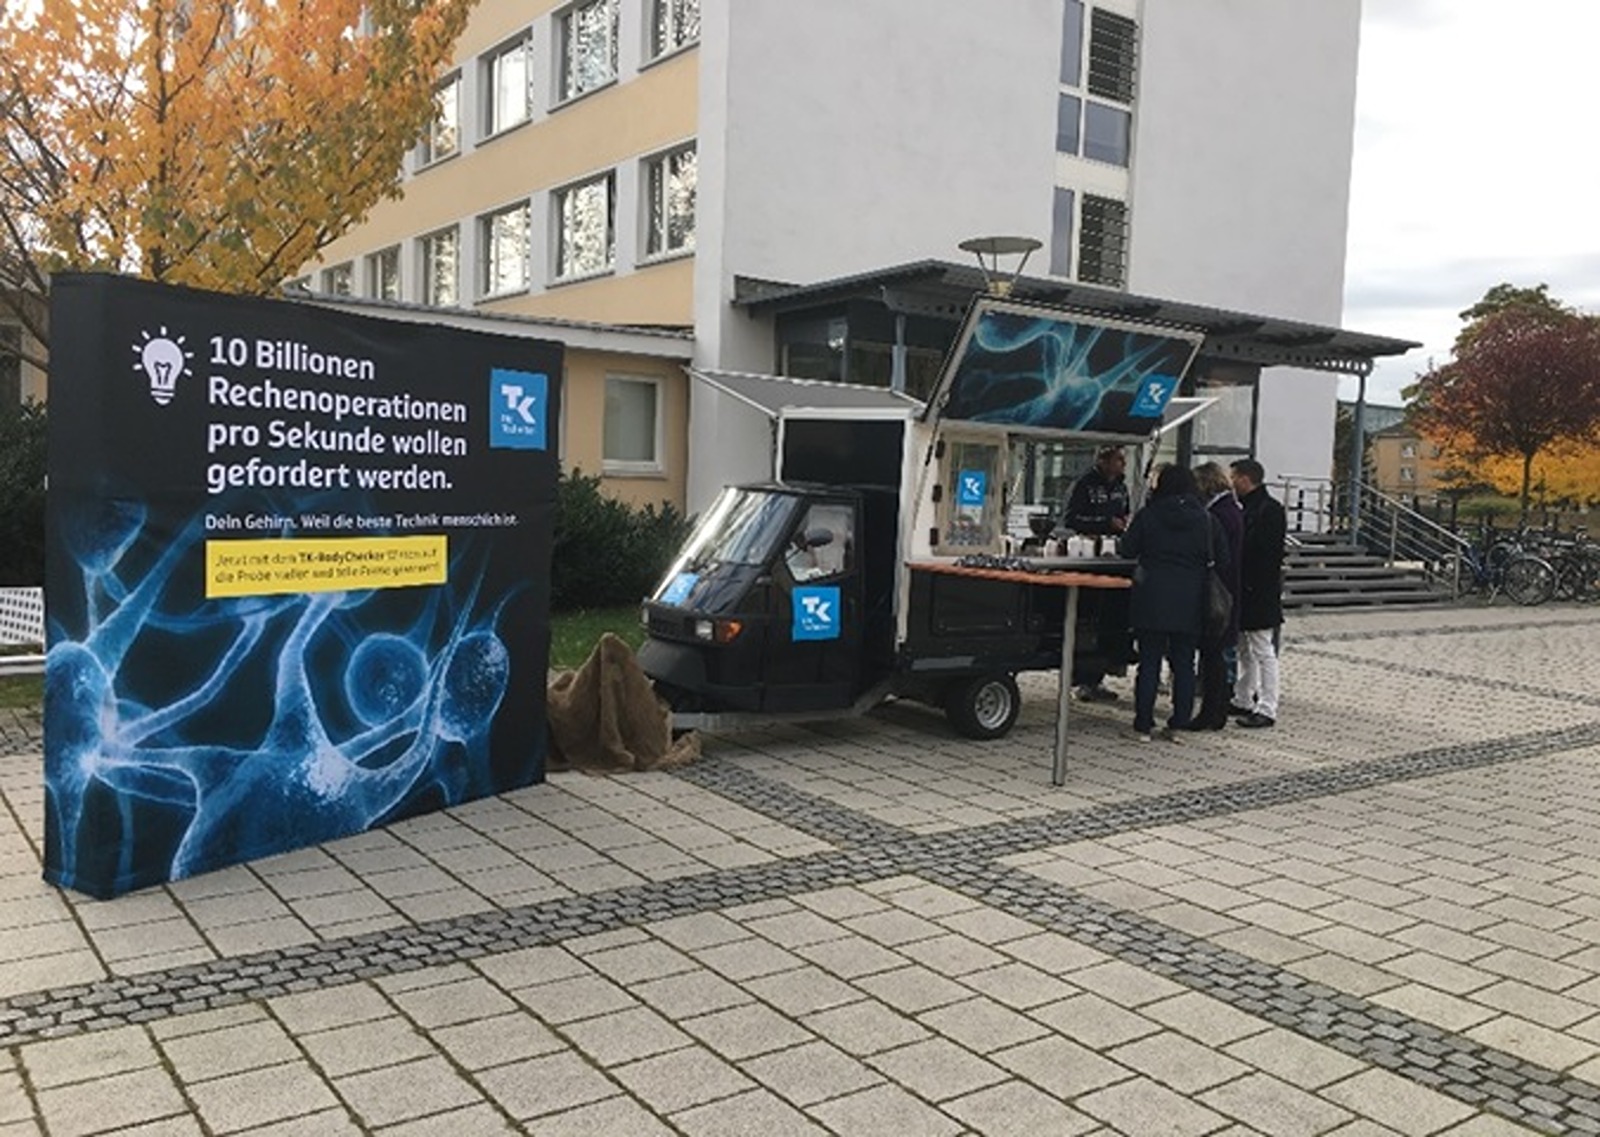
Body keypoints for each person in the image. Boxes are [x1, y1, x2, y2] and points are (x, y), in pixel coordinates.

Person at [1119, 464, 1224, 742]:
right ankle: (1178, 724)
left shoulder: (1148, 515)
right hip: (1191, 599)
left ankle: (1143, 725)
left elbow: (1126, 549)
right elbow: (1221, 557)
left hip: (1151, 596)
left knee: (1149, 662)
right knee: (1184, 664)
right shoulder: (1206, 519)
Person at [1062, 446, 1130, 701]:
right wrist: (1104, 523)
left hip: (1113, 557)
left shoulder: (1121, 487)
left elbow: (1124, 512)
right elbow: (1071, 519)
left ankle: (1099, 675)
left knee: (1109, 619)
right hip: (1088, 556)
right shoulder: (1084, 485)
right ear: (1103, 460)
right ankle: (1081, 678)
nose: (1123, 464)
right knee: (1086, 618)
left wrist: (1123, 523)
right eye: (1118, 459)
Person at [1229, 458, 1287, 728]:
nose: (1231, 483)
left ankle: (1267, 706)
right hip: (1248, 588)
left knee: (1262, 649)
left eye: (1234, 477)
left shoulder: (1268, 510)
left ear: (1245, 478)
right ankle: (1243, 697)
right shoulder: (1250, 507)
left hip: (1258, 590)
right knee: (1245, 648)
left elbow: (1264, 553)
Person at [1189, 462, 1243, 730]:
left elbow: (1218, 555)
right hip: (1228, 587)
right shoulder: (1232, 509)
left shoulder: (1218, 514)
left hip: (1217, 589)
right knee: (1217, 653)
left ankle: (1212, 711)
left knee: (1213, 654)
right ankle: (1217, 709)